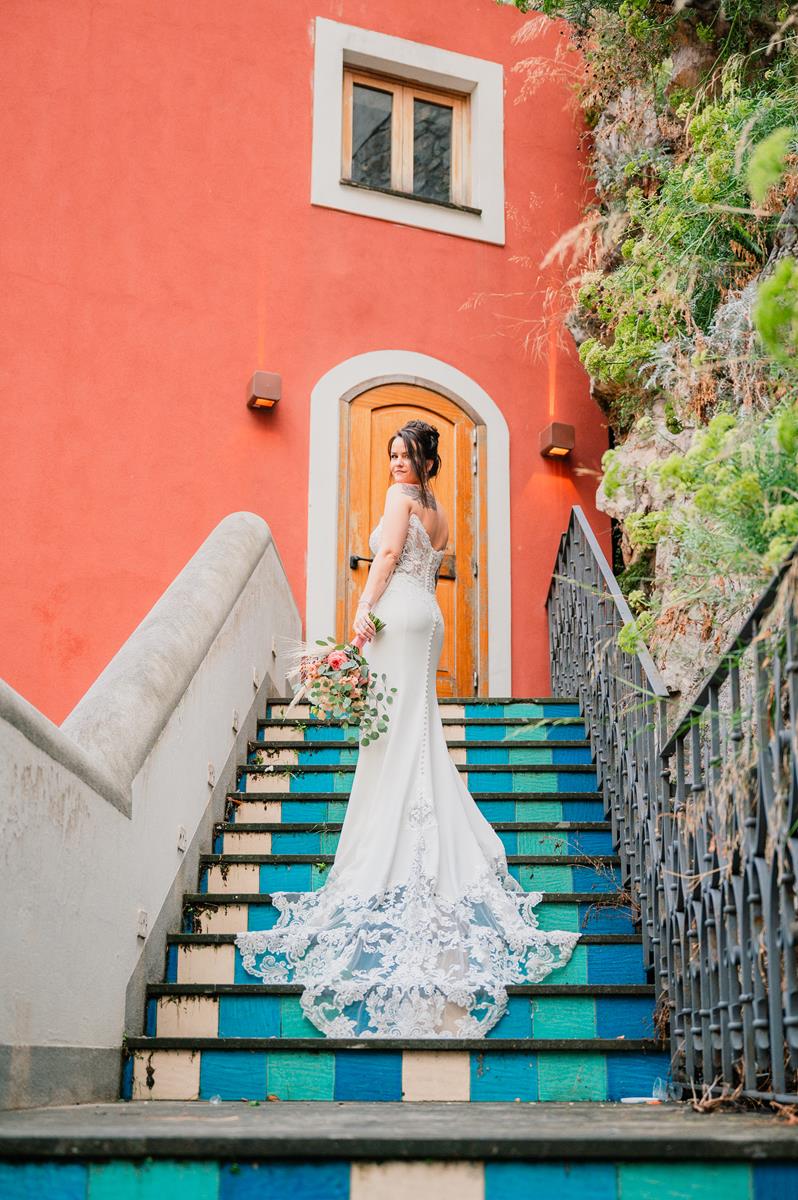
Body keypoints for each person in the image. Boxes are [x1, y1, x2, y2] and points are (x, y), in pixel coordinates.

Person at [235, 419, 579, 1036]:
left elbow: (388, 555)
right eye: (390, 454)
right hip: (429, 619)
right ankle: (423, 831)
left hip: (397, 616)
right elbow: (423, 556)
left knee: (391, 735)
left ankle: (392, 845)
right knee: (410, 732)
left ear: (425, 457)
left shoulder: (400, 501)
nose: (395, 463)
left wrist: (362, 613)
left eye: (405, 453)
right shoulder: (438, 508)